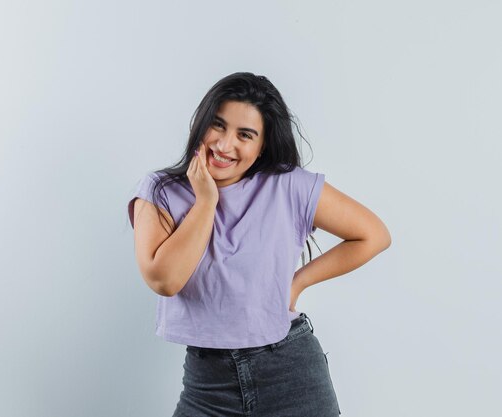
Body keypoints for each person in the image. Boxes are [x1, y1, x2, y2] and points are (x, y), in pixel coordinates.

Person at [127, 72, 391, 417]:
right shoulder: (161, 190)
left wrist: (297, 282)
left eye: (244, 135)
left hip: (292, 374)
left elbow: (373, 235)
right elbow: (165, 280)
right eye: (217, 126)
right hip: (207, 387)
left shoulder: (289, 186)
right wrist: (206, 202)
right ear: (201, 123)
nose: (224, 145)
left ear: (262, 144)